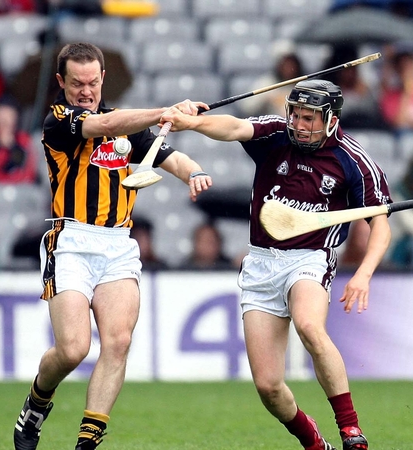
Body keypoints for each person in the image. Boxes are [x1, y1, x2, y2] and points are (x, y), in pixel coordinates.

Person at [161, 79, 391, 450]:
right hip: (261, 263)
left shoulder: (354, 161)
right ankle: (314, 442)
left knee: (309, 326)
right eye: (296, 115)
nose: (299, 124)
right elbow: (236, 127)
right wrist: (194, 123)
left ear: (331, 120)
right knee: (269, 387)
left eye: (309, 118)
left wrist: (363, 274)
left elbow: (380, 223)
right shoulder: (276, 135)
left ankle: (351, 431)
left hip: (311, 258)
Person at [12, 42, 212, 450]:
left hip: (118, 243)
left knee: (118, 341)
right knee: (72, 349)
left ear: (102, 78)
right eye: (76, 83)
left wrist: (195, 172)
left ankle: (88, 439)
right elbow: (103, 126)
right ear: (61, 82)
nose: (85, 91)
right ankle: (36, 403)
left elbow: (170, 157)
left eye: (91, 82)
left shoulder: (127, 127)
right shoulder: (58, 120)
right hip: (70, 241)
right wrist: (163, 112)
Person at [0, 98, 38, 185]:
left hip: (18, 191)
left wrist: (11, 148)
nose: (3, 124)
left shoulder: (24, 142)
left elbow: (29, 175)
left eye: (8, 120)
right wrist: (1, 151)